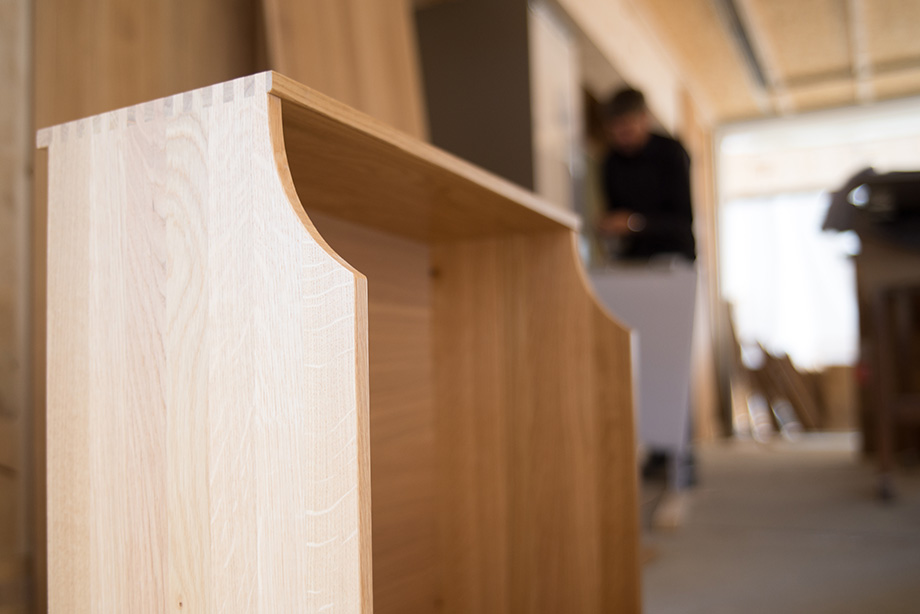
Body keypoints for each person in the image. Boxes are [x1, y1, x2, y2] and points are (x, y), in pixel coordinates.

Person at [598, 87, 696, 262]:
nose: (623, 137)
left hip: (674, 256)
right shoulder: (611, 162)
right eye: (617, 130)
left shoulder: (671, 152)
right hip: (633, 260)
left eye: (627, 128)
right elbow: (614, 212)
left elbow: (682, 220)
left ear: (644, 118)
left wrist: (634, 223)